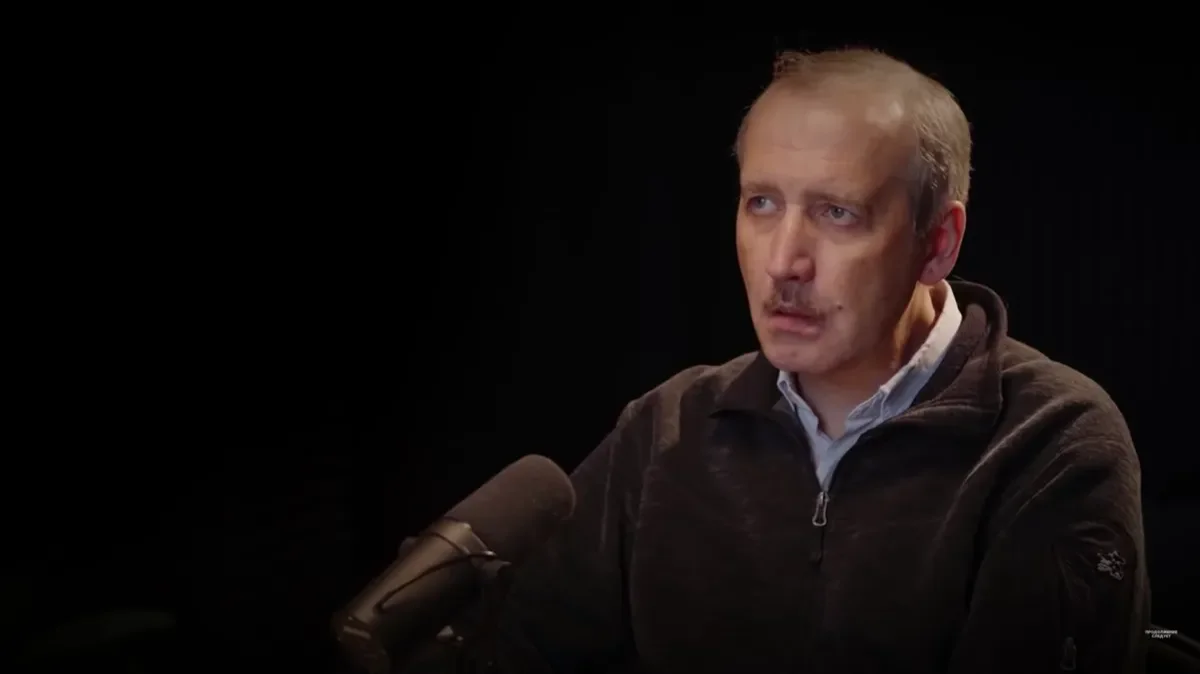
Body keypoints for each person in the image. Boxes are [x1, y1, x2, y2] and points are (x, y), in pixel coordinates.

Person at [416, 47, 1151, 673]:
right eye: (762, 204)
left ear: (938, 243)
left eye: (837, 213)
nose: (783, 262)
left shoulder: (1049, 443)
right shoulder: (668, 430)